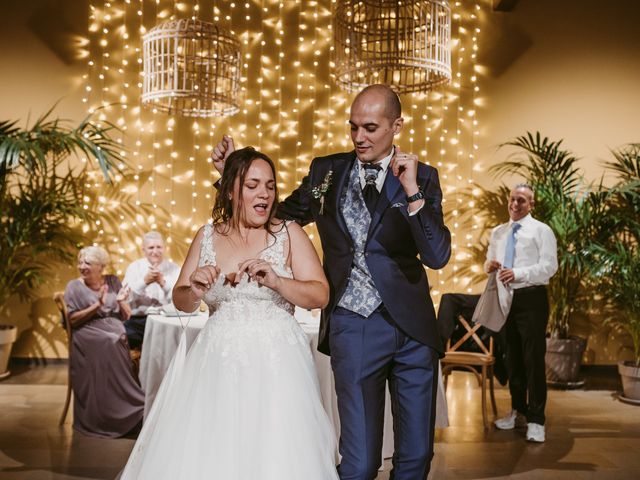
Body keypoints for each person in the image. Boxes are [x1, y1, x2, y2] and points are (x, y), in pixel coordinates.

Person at [212, 84, 451, 479]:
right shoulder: (326, 171)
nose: (359, 137)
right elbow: (277, 218)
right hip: (352, 326)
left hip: (412, 330)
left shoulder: (422, 177)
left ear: (397, 126)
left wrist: (412, 192)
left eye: (371, 128)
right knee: (358, 463)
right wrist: (232, 180)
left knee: (415, 457)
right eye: (353, 127)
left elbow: (437, 255)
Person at [119, 147, 339, 479]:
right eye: (252, 185)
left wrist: (278, 282)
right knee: (213, 449)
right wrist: (193, 288)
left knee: (276, 451)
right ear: (231, 190)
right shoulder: (207, 235)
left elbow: (320, 294)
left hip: (279, 366)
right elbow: (181, 299)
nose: (264, 193)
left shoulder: (288, 234)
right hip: (217, 363)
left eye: (270, 185)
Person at [486, 184, 557, 443]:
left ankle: (537, 420)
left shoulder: (541, 230)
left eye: (522, 200)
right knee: (512, 358)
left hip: (531, 299)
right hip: (505, 298)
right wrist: (489, 266)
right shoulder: (498, 232)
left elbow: (550, 266)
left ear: (531, 205)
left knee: (533, 359)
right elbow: (489, 260)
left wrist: (519, 273)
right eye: (513, 199)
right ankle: (518, 411)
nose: (515, 204)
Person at [63, 246, 144, 438]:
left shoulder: (113, 281)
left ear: (101, 266)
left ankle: (128, 410)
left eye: (88, 263)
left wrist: (122, 301)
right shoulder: (73, 287)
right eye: (80, 262)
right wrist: (97, 305)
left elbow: (126, 316)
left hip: (113, 329)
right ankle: (108, 416)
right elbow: (73, 320)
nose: (82, 266)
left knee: (117, 337)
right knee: (111, 339)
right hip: (87, 332)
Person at [122, 231, 180, 349]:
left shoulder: (174, 268)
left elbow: (178, 299)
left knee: (174, 344)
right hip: (137, 321)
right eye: (151, 247)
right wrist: (144, 282)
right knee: (120, 339)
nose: (155, 251)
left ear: (164, 248)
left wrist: (162, 283)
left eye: (159, 247)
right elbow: (125, 297)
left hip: (165, 320)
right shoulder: (134, 267)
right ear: (143, 249)